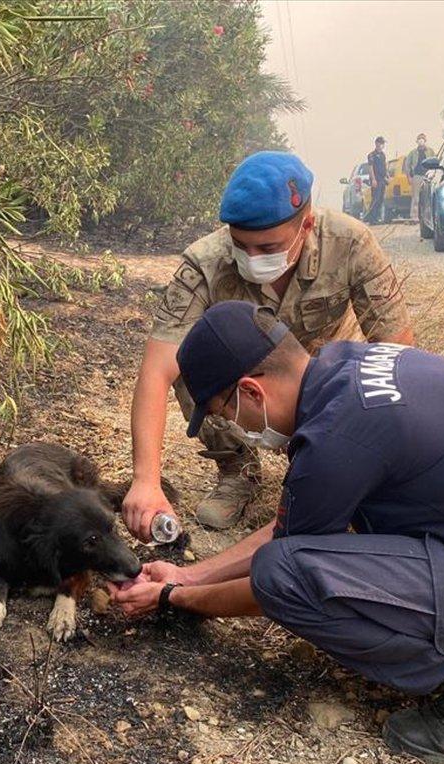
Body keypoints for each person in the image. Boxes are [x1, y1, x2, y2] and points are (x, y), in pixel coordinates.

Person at [111, 301, 444, 764]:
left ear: (251, 390)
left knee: (282, 577)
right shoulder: (347, 373)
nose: (235, 427)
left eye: (226, 413)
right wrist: (189, 574)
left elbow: (277, 580)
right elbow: (293, 527)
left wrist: (175, 599)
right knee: (306, 552)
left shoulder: (336, 437)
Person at [122, 151, 414, 539]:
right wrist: (145, 481)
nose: (251, 258)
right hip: (251, 378)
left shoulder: (351, 243)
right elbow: (157, 371)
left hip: (326, 379)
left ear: (306, 225)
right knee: (192, 366)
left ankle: (334, 469)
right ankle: (237, 471)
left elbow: (395, 351)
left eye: (268, 248)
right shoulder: (205, 262)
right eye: (241, 245)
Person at [403, 133, 432, 221]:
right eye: (419, 139)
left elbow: (435, 162)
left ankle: (428, 217)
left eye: (422, 139)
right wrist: (409, 177)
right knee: (415, 197)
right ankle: (414, 216)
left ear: (425, 140)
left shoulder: (430, 151)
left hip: (428, 177)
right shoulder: (412, 153)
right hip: (417, 176)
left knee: (428, 198)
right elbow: (407, 165)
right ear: (417, 141)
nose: (421, 141)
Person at [365, 136, 388, 224]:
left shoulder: (383, 155)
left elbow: (384, 166)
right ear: (377, 143)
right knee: (375, 198)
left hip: (382, 179)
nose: (383, 145)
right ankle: (371, 218)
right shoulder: (372, 155)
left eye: (383, 144)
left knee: (380, 199)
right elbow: (370, 168)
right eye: (381, 143)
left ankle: (376, 217)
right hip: (376, 179)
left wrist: (387, 176)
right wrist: (373, 179)